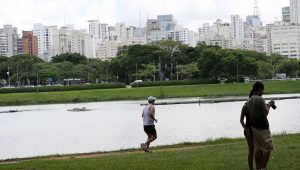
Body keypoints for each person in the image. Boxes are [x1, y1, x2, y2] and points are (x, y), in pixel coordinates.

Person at [246, 81, 274, 170]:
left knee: (258, 149)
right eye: (262, 90)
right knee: (268, 147)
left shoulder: (249, 101)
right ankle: (263, 167)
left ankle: (258, 168)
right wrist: (269, 105)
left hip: (254, 128)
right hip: (263, 128)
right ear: (259, 89)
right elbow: (265, 113)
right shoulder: (260, 99)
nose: (263, 92)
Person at [240, 90, 254, 170]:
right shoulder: (245, 106)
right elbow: (241, 120)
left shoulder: (257, 105)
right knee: (251, 150)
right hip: (248, 130)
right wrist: (246, 129)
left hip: (257, 129)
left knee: (258, 150)